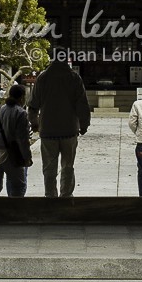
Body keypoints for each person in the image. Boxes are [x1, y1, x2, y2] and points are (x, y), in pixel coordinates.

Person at [27, 50, 91, 197]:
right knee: (68, 166)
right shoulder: (74, 78)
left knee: (49, 167)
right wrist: (84, 124)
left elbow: (33, 105)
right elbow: (82, 104)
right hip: (69, 129)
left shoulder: (43, 78)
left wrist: (34, 123)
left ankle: (50, 196)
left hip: (48, 130)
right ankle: (66, 196)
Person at [0, 83, 32, 198]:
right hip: (12, 155)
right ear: (22, 97)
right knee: (18, 187)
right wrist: (27, 157)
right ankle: (14, 208)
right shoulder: (21, 113)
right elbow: (22, 139)